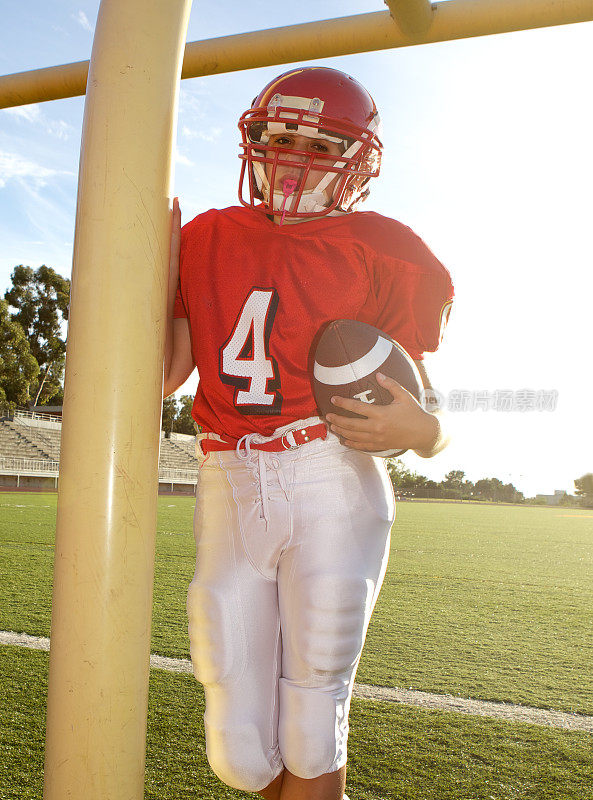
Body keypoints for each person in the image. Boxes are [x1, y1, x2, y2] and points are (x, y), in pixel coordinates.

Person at [164, 66, 454, 800]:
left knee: (311, 704)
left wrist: (425, 434)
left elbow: (415, 406)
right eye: (277, 136)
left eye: (317, 143)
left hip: (326, 470)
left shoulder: (383, 247)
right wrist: (134, 254)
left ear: (357, 161)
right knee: (238, 732)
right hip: (228, 474)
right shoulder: (204, 235)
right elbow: (166, 370)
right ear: (252, 143)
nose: (291, 156)